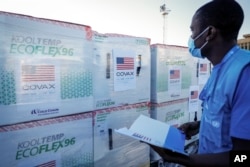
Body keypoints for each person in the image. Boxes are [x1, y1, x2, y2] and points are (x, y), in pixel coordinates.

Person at [149, 0, 250, 166]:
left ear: (209, 32)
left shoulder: (244, 73)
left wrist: (182, 159)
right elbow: (227, 117)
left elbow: (243, 159)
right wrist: (200, 125)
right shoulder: (221, 67)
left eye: (192, 31)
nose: (191, 38)